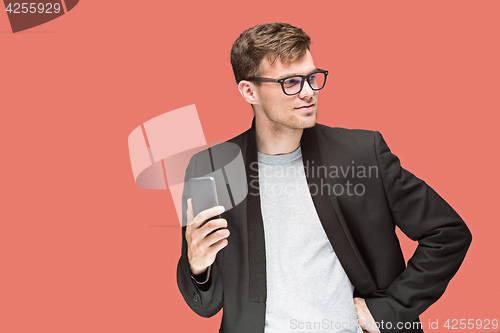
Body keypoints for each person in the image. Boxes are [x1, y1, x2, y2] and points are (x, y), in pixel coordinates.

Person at [176, 22, 472, 333]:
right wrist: (198, 267)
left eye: (311, 78)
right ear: (249, 91)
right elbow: (206, 305)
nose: (307, 92)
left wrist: (391, 310)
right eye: (290, 82)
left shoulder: (361, 153)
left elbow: (448, 233)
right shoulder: (209, 168)